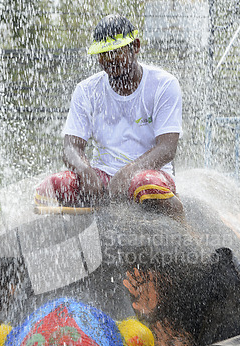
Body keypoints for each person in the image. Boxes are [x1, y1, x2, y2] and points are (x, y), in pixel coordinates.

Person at [35, 14, 183, 216]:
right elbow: (71, 146)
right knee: (53, 185)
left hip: (150, 176)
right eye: (103, 55)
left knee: (144, 184)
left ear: (136, 46)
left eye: (117, 52)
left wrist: (128, 174)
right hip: (103, 176)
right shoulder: (86, 90)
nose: (110, 61)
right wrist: (86, 173)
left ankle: (187, 232)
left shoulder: (164, 84)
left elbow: (167, 147)